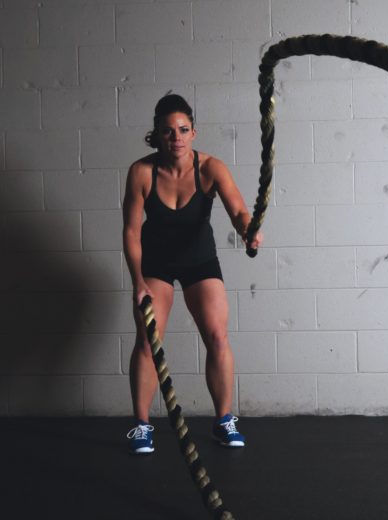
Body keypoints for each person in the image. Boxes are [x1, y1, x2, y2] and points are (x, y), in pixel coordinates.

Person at [122, 93, 262, 454]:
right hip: (156, 264)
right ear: (157, 133)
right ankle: (141, 425)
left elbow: (238, 211)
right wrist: (138, 281)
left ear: (194, 132)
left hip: (199, 261)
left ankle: (224, 420)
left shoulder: (211, 168)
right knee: (148, 340)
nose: (177, 138)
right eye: (168, 131)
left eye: (183, 130)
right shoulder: (141, 172)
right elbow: (132, 232)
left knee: (218, 336)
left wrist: (248, 230)